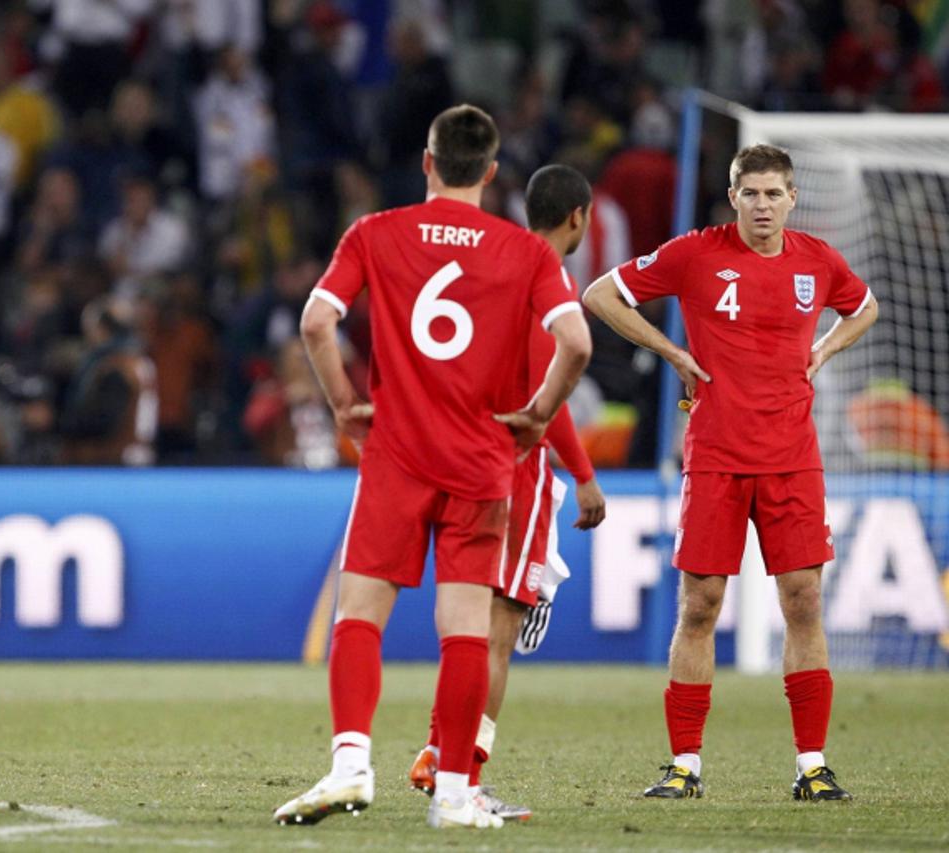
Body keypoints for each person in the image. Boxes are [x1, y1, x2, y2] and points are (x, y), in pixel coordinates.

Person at [273, 105, 592, 830]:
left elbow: (316, 322)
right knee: (465, 631)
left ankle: (351, 764)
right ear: (490, 172)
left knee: (360, 614)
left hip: (396, 454)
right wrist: (539, 414)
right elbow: (574, 341)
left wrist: (346, 402)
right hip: (481, 462)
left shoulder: (374, 233)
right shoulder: (527, 252)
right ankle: (453, 791)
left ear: (426, 162)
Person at [582, 144, 878, 801]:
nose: (764, 206)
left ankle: (813, 765)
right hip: (715, 454)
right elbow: (601, 294)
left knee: (803, 601)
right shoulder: (694, 252)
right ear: (733, 197)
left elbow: (865, 307)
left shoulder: (818, 262)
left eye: (775, 194)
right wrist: (671, 351)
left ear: (793, 199)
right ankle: (685, 766)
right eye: (753, 194)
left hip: (793, 458)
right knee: (701, 605)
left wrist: (825, 349)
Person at [408, 165, 608, 818]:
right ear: (577, 216)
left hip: (454, 454)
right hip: (511, 469)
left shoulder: (487, 267)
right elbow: (543, 396)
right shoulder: (545, 277)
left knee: (471, 626)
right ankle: (463, 771)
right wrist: (582, 474)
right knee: (497, 632)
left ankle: (442, 752)